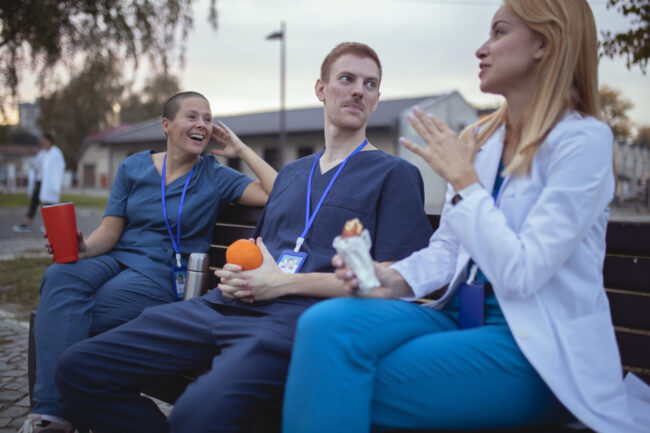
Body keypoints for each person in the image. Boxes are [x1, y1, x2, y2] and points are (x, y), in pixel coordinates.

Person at [282, 2, 650, 433]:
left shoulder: (583, 140)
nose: (481, 48)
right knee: (323, 325)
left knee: (339, 379)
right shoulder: (482, 137)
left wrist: (464, 179)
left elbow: (521, 274)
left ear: (543, 44)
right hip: (457, 313)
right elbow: (449, 248)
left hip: (535, 347)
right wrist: (393, 278)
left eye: (498, 33)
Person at [54, 42, 434, 433]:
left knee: (194, 414)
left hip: (297, 320)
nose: (359, 90)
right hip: (225, 305)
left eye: (370, 84)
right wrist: (237, 274)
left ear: (376, 100)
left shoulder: (394, 174)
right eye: (347, 79)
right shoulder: (292, 173)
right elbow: (258, 251)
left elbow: (397, 278)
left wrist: (284, 283)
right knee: (78, 368)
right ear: (321, 89)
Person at [20, 91, 277, 433]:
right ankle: (55, 415)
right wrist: (81, 249)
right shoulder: (134, 167)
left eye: (207, 118)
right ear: (167, 125)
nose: (202, 123)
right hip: (118, 256)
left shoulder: (215, 175)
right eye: (192, 116)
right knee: (60, 275)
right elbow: (111, 230)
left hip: (163, 273)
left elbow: (277, 191)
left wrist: (241, 150)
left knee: (67, 316)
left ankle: (53, 415)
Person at [13, 132, 65, 233]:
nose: (43, 145)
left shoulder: (56, 153)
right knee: (34, 201)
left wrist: (56, 183)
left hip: (49, 183)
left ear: (50, 141)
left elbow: (59, 168)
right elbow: (36, 165)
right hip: (40, 181)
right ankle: (27, 223)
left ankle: (51, 226)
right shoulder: (42, 153)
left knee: (49, 205)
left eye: (44, 142)